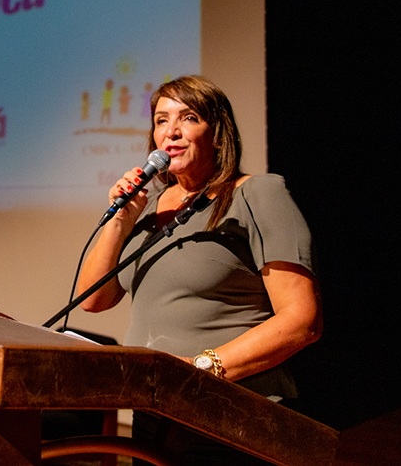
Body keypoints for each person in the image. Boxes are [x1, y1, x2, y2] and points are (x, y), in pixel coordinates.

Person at [77, 75, 322, 465]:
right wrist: (121, 220)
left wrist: (199, 369)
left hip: (232, 415)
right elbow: (93, 299)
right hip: (154, 416)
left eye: (188, 118)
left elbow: (302, 320)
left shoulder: (257, 194)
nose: (171, 131)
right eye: (161, 120)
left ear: (218, 135)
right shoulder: (147, 205)